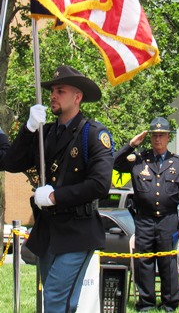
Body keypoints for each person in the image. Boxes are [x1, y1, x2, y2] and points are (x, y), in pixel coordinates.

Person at [0, 65, 114, 313]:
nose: (53, 95)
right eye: (52, 90)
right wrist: (29, 129)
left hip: (77, 230)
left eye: (60, 91)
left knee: (55, 299)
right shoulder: (46, 133)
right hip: (49, 230)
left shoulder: (93, 133)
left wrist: (54, 196)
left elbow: (100, 184)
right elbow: (10, 163)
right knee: (59, 302)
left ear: (77, 97)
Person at [114, 116, 179, 312]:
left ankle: (169, 303)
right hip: (145, 220)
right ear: (150, 138)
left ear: (168, 138)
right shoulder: (139, 160)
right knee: (144, 263)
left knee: (167, 262)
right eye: (155, 136)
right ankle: (146, 302)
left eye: (162, 136)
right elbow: (114, 162)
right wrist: (131, 145)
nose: (158, 139)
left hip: (168, 220)